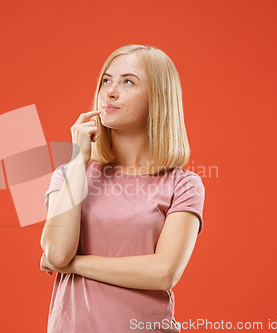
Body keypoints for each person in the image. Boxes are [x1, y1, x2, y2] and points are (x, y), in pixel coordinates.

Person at [40, 44, 205, 333]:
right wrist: (79, 161)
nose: (110, 92)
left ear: (158, 98)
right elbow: (56, 255)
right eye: (106, 80)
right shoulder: (68, 176)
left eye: (127, 81)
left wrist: (75, 265)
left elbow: (163, 273)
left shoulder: (183, 184)